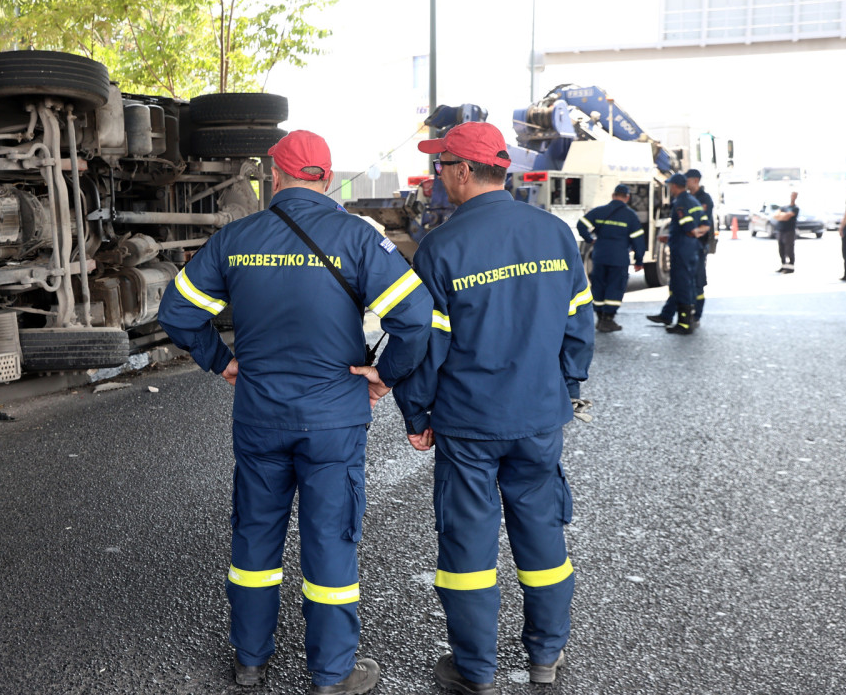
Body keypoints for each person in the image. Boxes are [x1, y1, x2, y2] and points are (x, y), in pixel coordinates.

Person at [157, 130, 433, 695]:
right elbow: (415, 317)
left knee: (255, 536)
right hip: (333, 418)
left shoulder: (236, 239)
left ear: (273, 177)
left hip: (260, 415)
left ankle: (250, 661)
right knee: (330, 538)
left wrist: (221, 360)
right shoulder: (358, 238)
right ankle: (331, 674)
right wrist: (386, 372)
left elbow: (177, 312)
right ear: (325, 179)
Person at [391, 122, 595, 694]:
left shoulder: (442, 246)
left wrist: (417, 413)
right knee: (543, 536)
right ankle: (545, 657)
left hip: (469, 424)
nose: (438, 178)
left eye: (440, 167)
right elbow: (578, 327)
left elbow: (427, 344)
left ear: (461, 171)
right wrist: (564, 387)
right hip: (537, 417)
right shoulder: (555, 235)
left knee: (467, 546)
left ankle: (475, 670)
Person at [576, 184, 645, 332]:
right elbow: (638, 240)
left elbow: (581, 225)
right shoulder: (630, 216)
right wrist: (639, 260)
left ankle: (600, 317)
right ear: (627, 198)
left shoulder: (600, 211)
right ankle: (608, 319)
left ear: (613, 196)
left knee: (599, 285)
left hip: (600, 255)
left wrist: (589, 239)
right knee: (615, 286)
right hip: (619, 257)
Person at [647, 174, 709, 334]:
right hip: (691, 248)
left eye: (669, 185)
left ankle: (684, 324)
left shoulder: (681, 203)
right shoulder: (694, 201)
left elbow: (687, 226)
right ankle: (677, 318)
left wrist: (691, 233)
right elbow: (705, 224)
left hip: (682, 250)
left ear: (674, 186)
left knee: (682, 286)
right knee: (684, 284)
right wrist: (694, 233)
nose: (669, 188)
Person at [686, 169, 715, 321]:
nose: (686, 183)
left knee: (698, 281)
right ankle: (686, 311)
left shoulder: (704, 199)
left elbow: (702, 221)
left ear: (696, 180)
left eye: (688, 180)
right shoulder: (686, 197)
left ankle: (696, 314)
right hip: (686, 246)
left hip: (698, 244)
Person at [775, 191, 799, 273]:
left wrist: (782, 215)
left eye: (794, 196)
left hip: (790, 231)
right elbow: (776, 216)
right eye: (792, 195)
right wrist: (783, 215)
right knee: (781, 249)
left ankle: (790, 267)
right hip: (781, 230)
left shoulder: (795, 208)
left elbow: (786, 217)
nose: (793, 197)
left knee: (789, 249)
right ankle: (783, 265)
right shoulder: (784, 207)